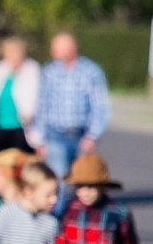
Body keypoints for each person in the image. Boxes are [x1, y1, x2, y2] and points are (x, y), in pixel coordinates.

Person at [34, 33, 110, 182]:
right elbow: (42, 107)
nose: (53, 53)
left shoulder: (91, 72)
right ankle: (60, 206)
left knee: (83, 180)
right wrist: (40, 140)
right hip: (55, 136)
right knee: (58, 182)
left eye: (58, 49)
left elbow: (100, 106)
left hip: (81, 135)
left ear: (72, 48)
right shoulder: (50, 72)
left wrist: (92, 136)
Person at [0, 36, 41, 159]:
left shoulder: (31, 71)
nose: (14, 57)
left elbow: (36, 101)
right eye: (10, 53)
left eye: (17, 52)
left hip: (23, 129)